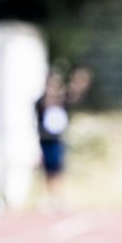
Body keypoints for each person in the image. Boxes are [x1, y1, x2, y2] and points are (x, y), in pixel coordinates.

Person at [33, 66, 91, 212]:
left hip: (57, 139)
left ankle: (58, 197)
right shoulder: (41, 101)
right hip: (45, 139)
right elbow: (41, 114)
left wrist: (78, 84)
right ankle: (47, 197)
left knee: (58, 169)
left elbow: (73, 97)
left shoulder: (62, 100)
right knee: (46, 169)